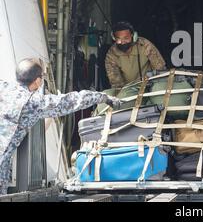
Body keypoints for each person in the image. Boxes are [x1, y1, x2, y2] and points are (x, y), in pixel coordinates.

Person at [0, 58, 120, 195]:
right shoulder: (33, 103)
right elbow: (71, 101)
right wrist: (104, 98)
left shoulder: (3, 87)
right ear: (38, 81)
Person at [105, 21, 166, 88]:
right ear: (114, 38)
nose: (122, 42)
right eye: (119, 39)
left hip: (149, 85)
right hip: (128, 90)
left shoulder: (144, 45)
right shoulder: (112, 54)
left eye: (126, 38)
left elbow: (160, 68)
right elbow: (116, 82)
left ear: (133, 36)